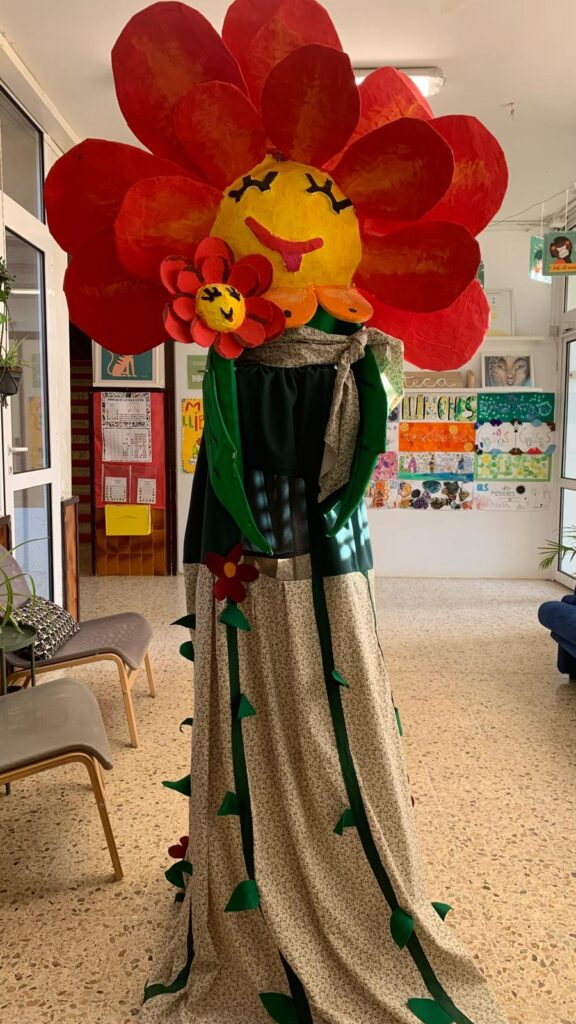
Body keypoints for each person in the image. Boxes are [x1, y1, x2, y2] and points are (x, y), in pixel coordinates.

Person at [44, 2, 511, 1021]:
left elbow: (340, 459)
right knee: (269, 670)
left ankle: (318, 876)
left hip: (305, 559)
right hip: (251, 560)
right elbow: (254, 463)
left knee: (317, 675)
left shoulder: (334, 362)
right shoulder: (250, 367)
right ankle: (264, 876)